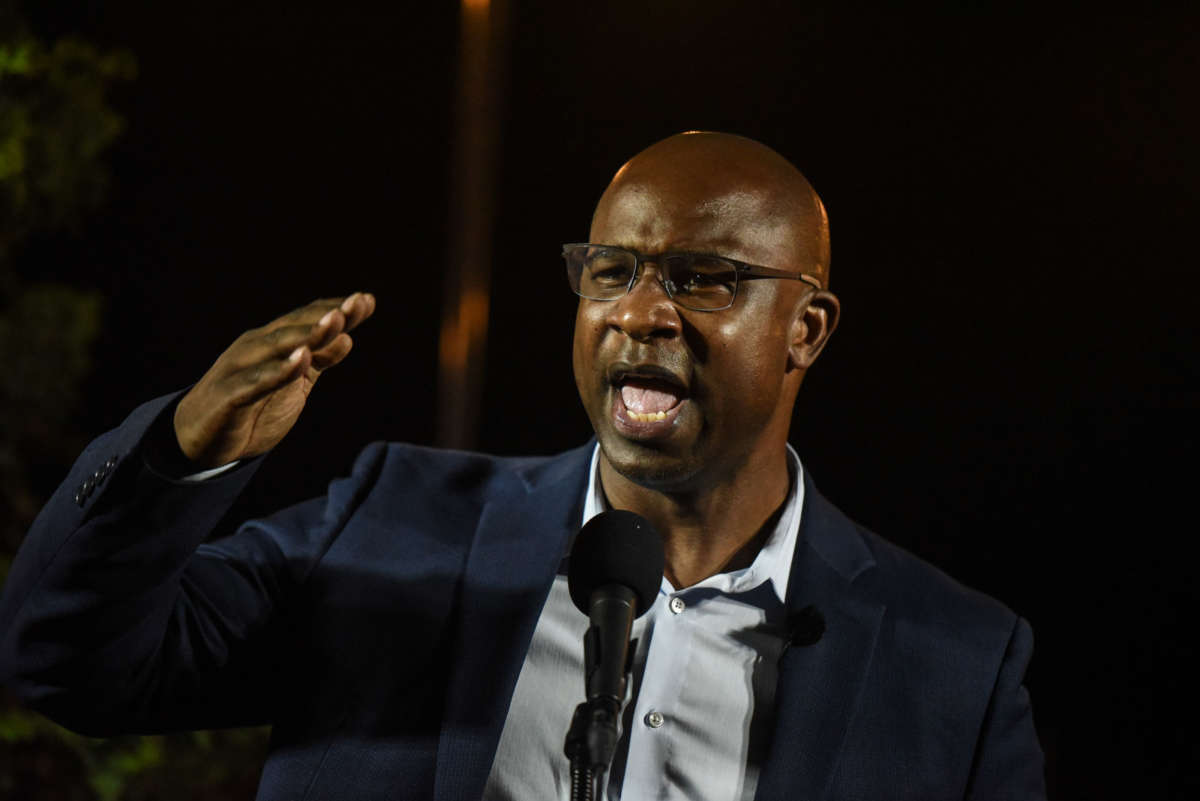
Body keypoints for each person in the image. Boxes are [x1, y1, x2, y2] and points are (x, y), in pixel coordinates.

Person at [0, 132, 1046, 800]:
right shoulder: (399, 522)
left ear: (804, 329)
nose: (641, 311)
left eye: (702, 277)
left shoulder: (950, 661)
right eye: (614, 271)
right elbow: (69, 661)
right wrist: (181, 455)